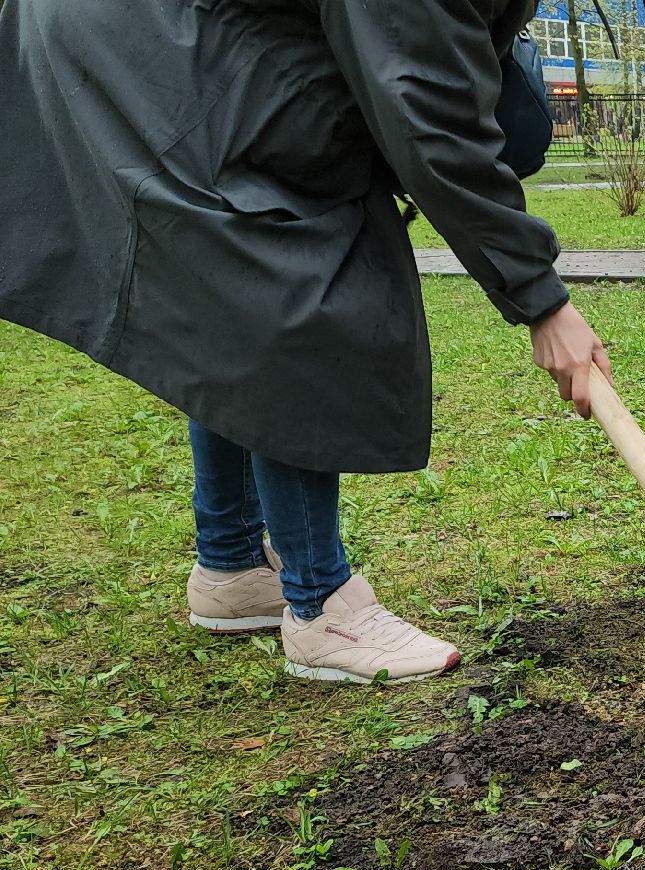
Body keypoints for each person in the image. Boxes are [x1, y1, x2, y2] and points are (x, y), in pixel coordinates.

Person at [0, 0, 610, 683]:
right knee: (295, 283)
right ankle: (322, 604)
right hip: (145, 47)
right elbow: (429, 117)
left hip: (134, 34)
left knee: (236, 302)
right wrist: (541, 301)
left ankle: (231, 565)